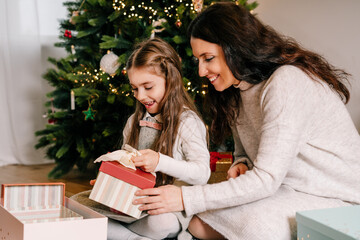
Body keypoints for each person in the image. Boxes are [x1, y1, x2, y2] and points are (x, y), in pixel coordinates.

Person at [132, 2, 360, 240]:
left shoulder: (286, 82)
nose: (201, 71)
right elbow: (246, 153)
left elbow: (266, 179)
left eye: (208, 58)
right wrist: (240, 163)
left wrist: (184, 197)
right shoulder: (237, 90)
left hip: (336, 199)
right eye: (199, 59)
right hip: (284, 188)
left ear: (235, 48)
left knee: (246, 226)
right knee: (198, 220)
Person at [72, 38, 210, 240]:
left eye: (148, 86)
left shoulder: (186, 122)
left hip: (165, 210)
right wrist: (110, 181)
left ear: (170, 81)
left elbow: (202, 173)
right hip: (132, 205)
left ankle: (126, 236)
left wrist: (159, 161)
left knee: (160, 222)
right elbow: (129, 169)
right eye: (135, 88)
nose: (140, 96)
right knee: (75, 205)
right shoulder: (134, 121)